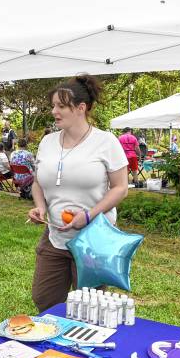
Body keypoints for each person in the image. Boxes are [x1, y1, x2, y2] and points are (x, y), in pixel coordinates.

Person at [28, 75, 128, 312]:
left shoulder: (106, 142)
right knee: (44, 299)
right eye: (53, 105)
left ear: (81, 108)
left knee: (88, 307)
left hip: (93, 237)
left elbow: (120, 188)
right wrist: (40, 206)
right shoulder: (48, 142)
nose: (54, 111)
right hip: (55, 235)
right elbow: (37, 182)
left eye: (61, 106)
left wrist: (89, 215)